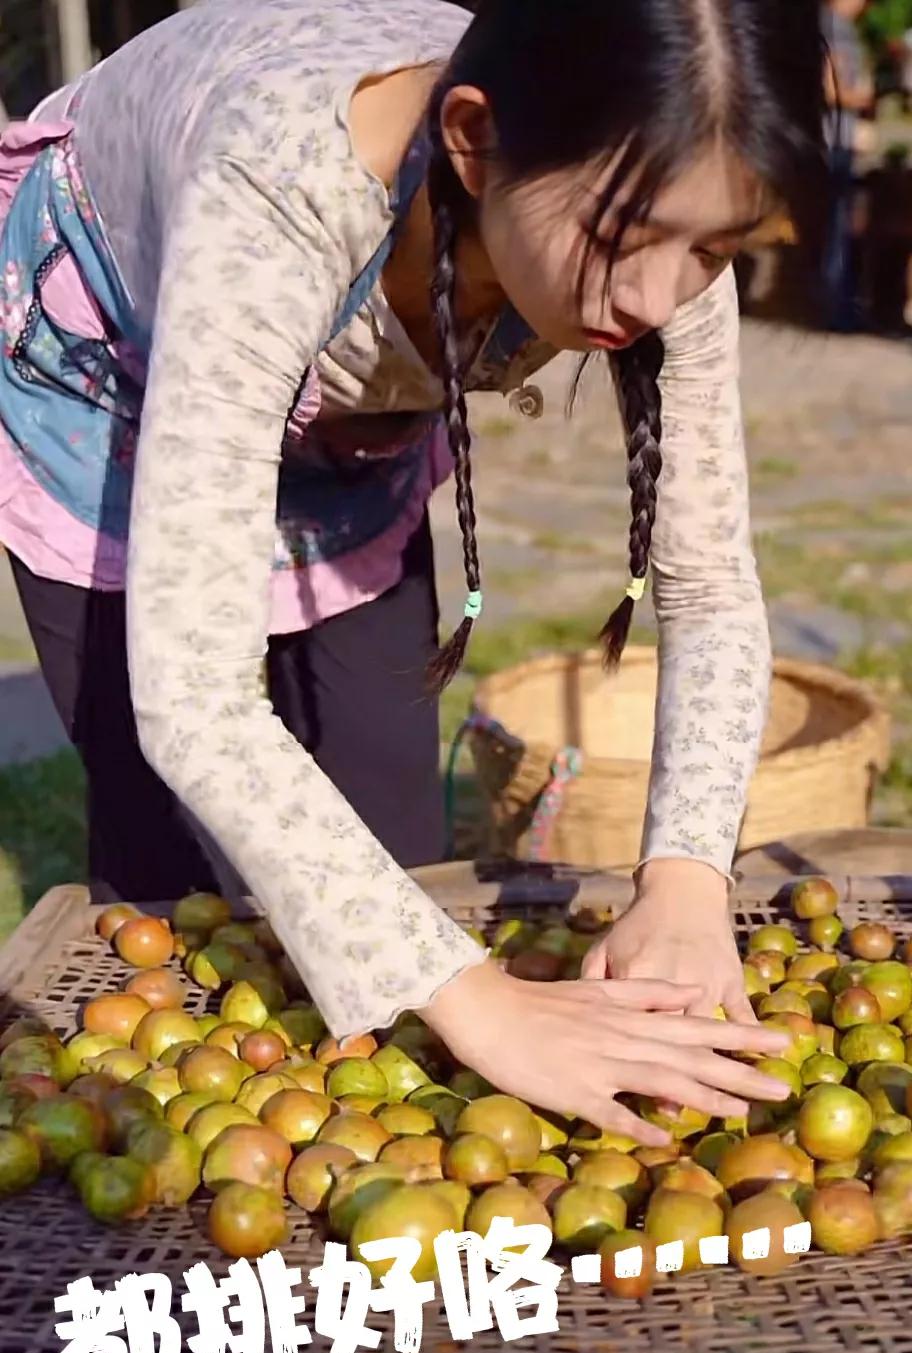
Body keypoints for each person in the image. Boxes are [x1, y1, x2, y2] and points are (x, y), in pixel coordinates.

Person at [0, 0, 828, 1140]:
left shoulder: (666, 203)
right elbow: (191, 697)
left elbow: (709, 587)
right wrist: (485, 1006)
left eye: (715, 251)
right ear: (475, 141)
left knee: (391, 852)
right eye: (620, 241)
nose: (654, 301)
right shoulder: (278, 187)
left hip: (352, 415)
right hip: (121, 378)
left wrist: (686, 877)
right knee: (174, 871)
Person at [821, 0, 875, 329]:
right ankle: (833, 310)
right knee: (836, 226)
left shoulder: (839, 27)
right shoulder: (835, 28)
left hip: (834, 138)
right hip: (834, 139)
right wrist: (865, 97)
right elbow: (833, 88)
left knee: (837, 225)